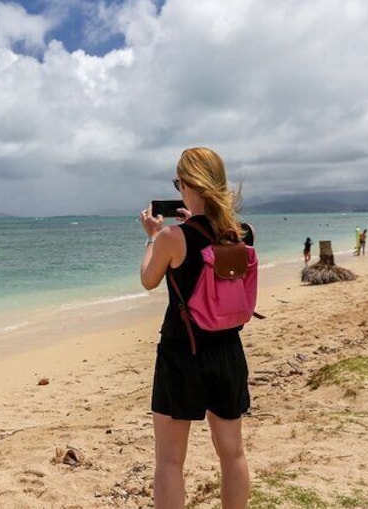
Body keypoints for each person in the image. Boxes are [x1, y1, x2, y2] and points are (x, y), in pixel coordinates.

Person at [139, 147, 252, 509]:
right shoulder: (241, 234)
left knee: (170, 461)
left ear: (187, 184)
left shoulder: (173, 237)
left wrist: (153, 236)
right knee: (232, 454)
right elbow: (210, 241)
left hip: (181, 353)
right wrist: (194, 223)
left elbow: (148, 279)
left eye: (178, 182)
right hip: (227, 350)